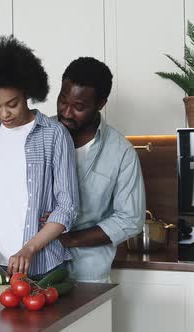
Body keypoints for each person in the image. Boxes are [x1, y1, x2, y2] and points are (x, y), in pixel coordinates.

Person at [0, 36, 79, 279]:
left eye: (12, 104)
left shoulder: (54, 135)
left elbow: (68, 207)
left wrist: (29, 249)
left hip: (44, 264)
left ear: (26, 92)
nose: (4, 113)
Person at [52, 57, 146, 283]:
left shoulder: (121, 152)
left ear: (101, 103)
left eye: (79, 107)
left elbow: (130, 219)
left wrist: (67, 239)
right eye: (62, 101)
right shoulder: (37, 136)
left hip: (87, 275)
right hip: (33, 268)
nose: (66, 112)